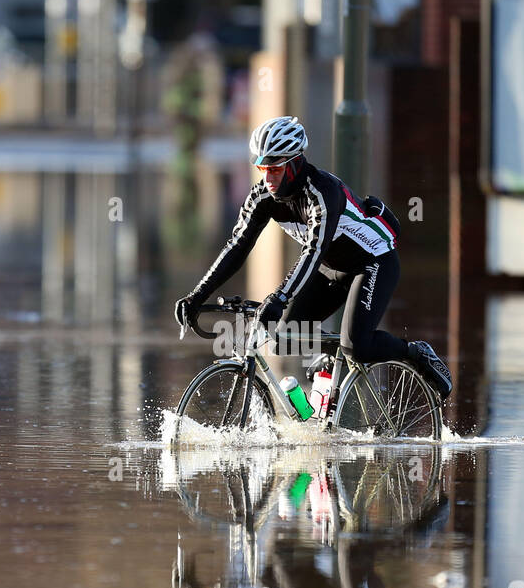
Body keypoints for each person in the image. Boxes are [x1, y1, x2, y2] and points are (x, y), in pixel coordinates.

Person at [174, 116, 452, 398]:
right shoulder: (263, 196)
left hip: (373, 262)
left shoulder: (322, 193)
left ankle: (415, 353)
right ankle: (331, 361)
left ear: (294, 164)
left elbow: (313, 251)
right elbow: (237, 245)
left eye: (275, 169)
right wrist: (197, 295)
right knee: (284, 338)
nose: (268, 178)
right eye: (262, 168)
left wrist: (279, 298)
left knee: (357, 346)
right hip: (333, 268)